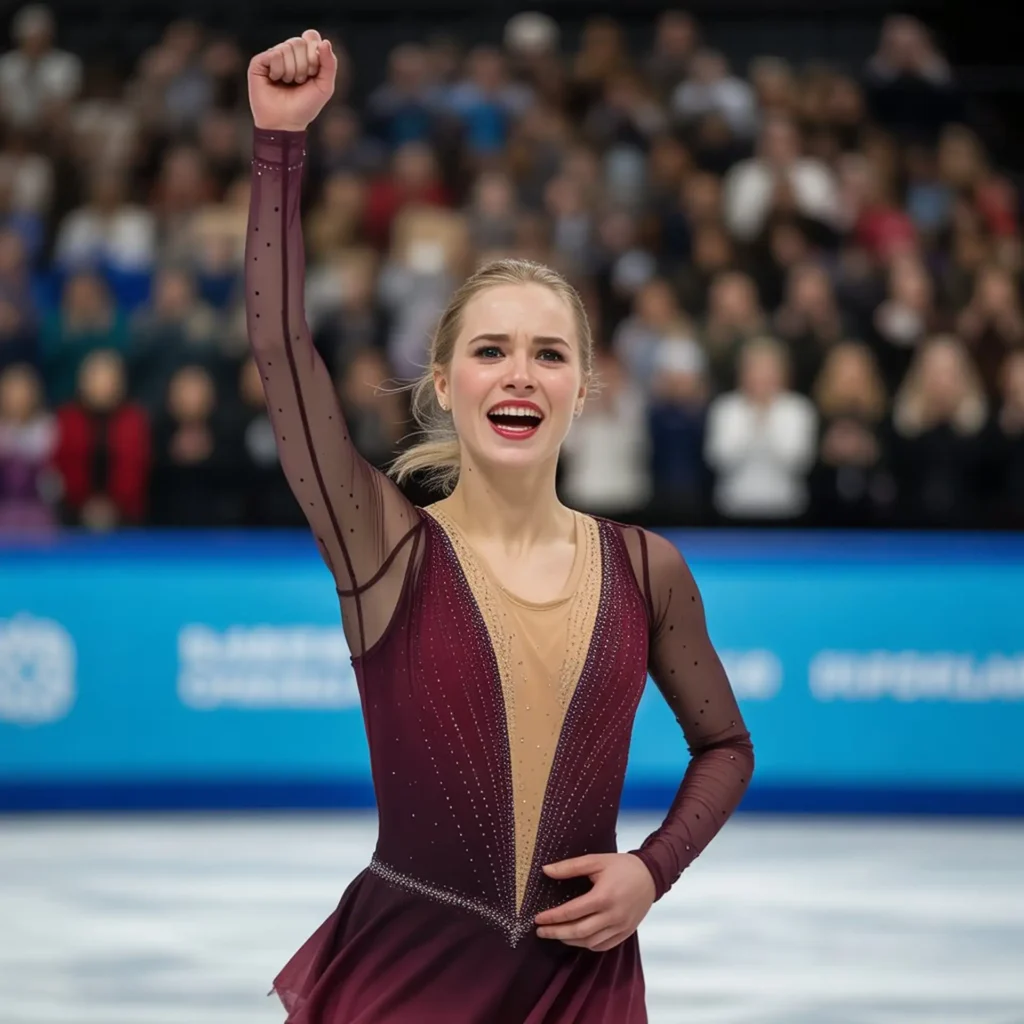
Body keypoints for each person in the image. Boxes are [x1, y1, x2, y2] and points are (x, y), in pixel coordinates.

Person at [247, 31, 754, 1023]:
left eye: (548, 353)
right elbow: (278, 347)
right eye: (490, 349)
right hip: (409, 977)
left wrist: (652, 871)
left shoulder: (645, 569)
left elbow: (725, 746)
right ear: (446, 383)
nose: (520, 372)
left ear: (581, 387)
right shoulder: (384, 547)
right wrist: (277, 147)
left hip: (582, 989)